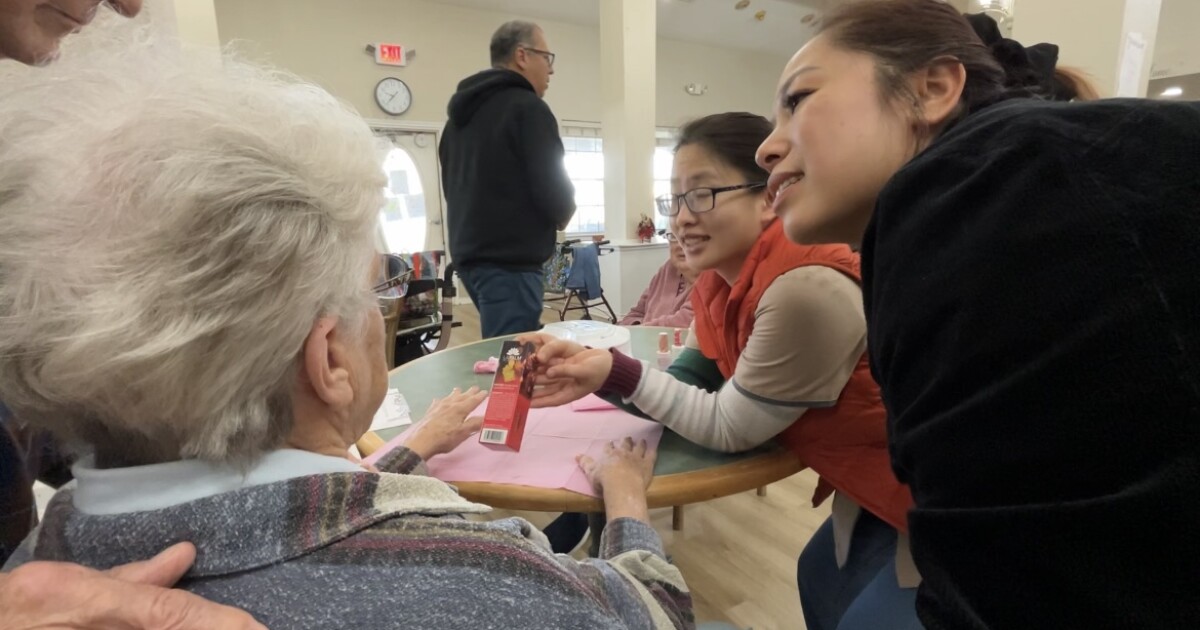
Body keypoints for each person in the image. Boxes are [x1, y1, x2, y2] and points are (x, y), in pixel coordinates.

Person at [0, 36, 693, 630]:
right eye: (377, 287)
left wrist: (414, 446)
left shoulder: (41, 568)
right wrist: (626, 498)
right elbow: (651, 609)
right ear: (329, 356)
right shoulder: (485, 579)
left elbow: (271, 512)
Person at [754, 1, 1200, 628]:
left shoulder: (988, 185)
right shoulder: (994, 182)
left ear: (933, 88)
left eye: (797, 99)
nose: (766, 149)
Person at [523, 112, 919, 630]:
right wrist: (596, 370)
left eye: (702, 194)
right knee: (820, 576)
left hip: (936, 490)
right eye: (675, 199)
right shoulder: (720, 281)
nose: (682, 218)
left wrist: (615, 373)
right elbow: (690, 380)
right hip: (870, 481)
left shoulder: (805, 289)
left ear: (768, 197)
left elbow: (730, 426)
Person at [440, 20, 576, 338]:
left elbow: (452, 187)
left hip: (470, 259)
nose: (551, 70)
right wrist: (564, 212)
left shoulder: (457, 121)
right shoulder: (528, 109)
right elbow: (551, 183)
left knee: (507, 348)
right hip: (510, 264)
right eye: (547, 57)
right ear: (522, 55)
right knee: (513, 362)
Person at [618, 233, 698, 328]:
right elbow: (635, 313)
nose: (680, 245)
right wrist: (636, 329)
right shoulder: (667, 269)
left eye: (691, 238)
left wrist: (640, 330)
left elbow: (683, 323)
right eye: (674, 237)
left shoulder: (712, 280)